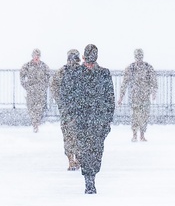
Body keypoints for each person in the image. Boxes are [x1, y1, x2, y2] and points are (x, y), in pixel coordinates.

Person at [60, 43, 115, 194]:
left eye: (92, 61)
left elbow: (110, 97)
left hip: (98, 120)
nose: (90, 65)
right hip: (81, 119)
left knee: (96, 151)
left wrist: (108, 118)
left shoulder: (104, 73)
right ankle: (89, 180)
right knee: (84, 151)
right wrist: (71, 114)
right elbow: (65, 94)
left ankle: (92, 174)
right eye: (88, 61)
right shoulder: (75, 73)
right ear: (83, 58)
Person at [50, 48, 82, 170]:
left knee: (74, 135)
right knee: (73, 135)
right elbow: (54, 87)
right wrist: (60, 102)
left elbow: (53, 87)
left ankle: (75, 160)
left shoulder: (64, 71)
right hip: (71, 109)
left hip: (74, 109)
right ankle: (72, 160)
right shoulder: (63, 72)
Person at [118, 48, 158, 142]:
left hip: (145, 95)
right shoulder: (130, 68)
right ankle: (135, 134)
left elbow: (153, 80)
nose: (139, 58)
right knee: (135, 115)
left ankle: (142, 134)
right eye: (137, 56)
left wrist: (154, 92)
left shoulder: (148, 67)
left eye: (140, 56)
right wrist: (121, 96)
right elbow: (125, 83)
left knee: (144, 115)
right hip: (135, 96)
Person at [20, 48, 52, 132]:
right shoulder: (27, 65)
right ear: (32, 56)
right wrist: (26, 86)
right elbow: (22, 76)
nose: (36, 57)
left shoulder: (44, 66)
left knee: (39, 108)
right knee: (31, 107)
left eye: (38, 55)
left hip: (40, 91)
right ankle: (34, 122)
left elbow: (49, 76)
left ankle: (36, 123)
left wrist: (45, 86)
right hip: (31, 91)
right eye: (35, 55)